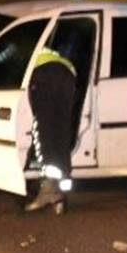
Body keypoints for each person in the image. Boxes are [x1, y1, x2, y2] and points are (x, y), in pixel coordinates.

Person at [23, 46, 77, 214]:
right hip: (66, 72)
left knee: (43, 131)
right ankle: (59, 192)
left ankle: (49, 191)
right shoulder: (46, 47)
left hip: (45, 75)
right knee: (60, 132)